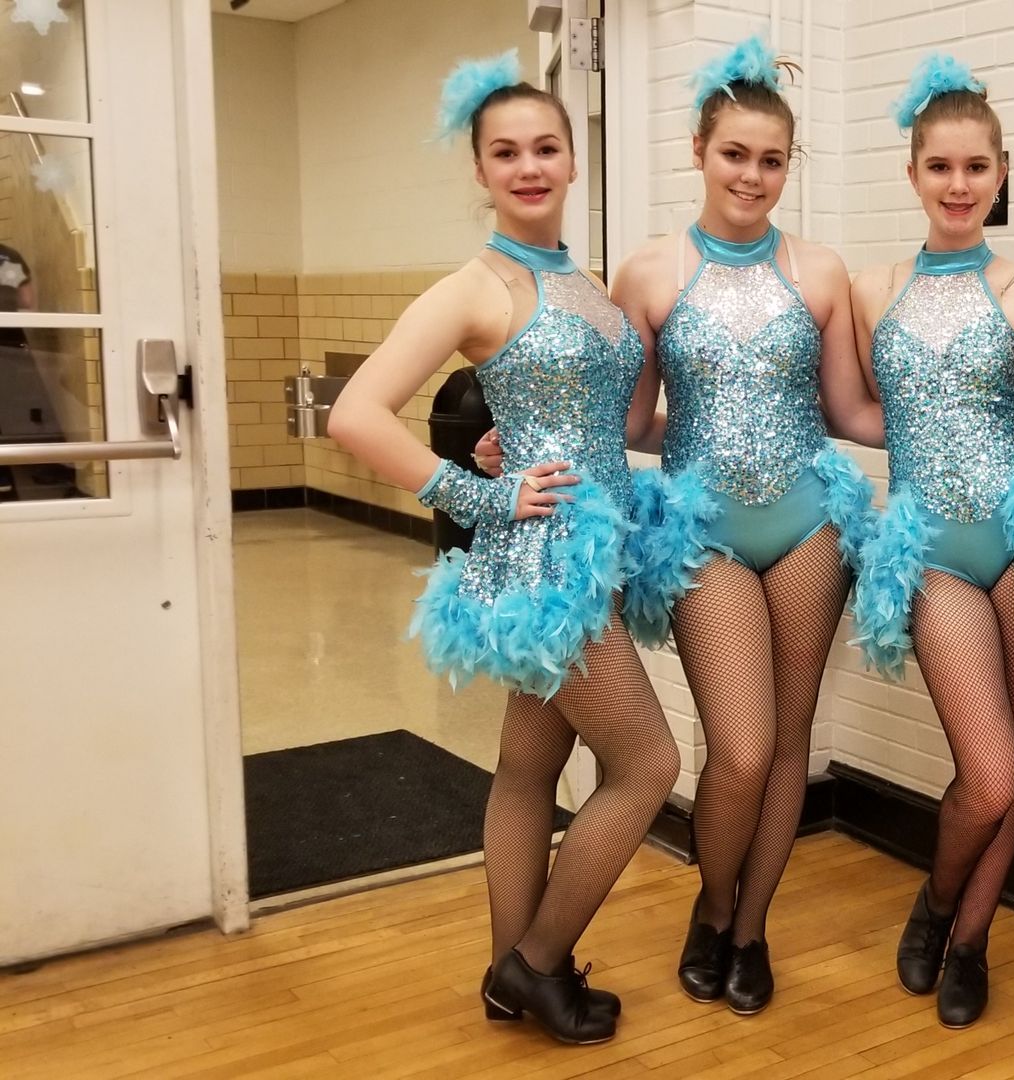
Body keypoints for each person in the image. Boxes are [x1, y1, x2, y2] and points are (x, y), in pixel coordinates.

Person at [327, 51, 679, 1046]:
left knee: (528, 771)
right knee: (651, 764)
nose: (529, 165)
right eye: (506, 152)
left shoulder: (575, 277)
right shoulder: (472, 287)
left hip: (593, 559)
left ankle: (503, 976)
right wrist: (475, 492)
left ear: (573, 162)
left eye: (546, 148)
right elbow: (357, 413)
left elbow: (566, 406)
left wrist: (508, 442)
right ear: (480, 171)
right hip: (544, 568)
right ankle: (536, 964)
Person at [605, 35, 877, 1017]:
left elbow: (849, 410)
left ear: (786, 166)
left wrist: (983, 426)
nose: (753, 175)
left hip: (809, 523)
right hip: (703, 531)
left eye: (771, 160)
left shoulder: (821, 272)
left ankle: (752, 926)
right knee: (745, 749)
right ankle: (710, 906)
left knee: (792, 739)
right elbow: (630, 421)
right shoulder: (647, 273)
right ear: (698, 151)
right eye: (735, 155)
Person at [848, 53, 1014, 1030]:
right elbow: (852, 410)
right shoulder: (873, 289)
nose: (958, 186)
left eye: (975, 169)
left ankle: (975, 941)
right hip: (933, 547)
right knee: (984, 774)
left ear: (1000, 174)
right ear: (913, 174)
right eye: (939, 168)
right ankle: (938, 900)